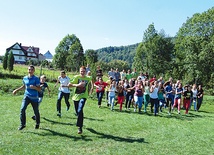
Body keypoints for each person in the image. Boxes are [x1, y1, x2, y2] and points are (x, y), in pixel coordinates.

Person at [13, 65, 41, 130]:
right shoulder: (25, 78)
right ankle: (23, 124)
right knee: (22, 109)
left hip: (34, 98)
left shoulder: (36, 79)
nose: (30, 71)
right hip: (27, 96)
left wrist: (34, 87)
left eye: (31, 70)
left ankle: (37, 123)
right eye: (29, 69)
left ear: (34, 71)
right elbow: (24, 86)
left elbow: (39, 89)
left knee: (36, 111)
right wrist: (16, 90)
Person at [68, 66, 93, 134]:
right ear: (79, 71)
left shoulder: (88, 78)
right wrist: (78, 85)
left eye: (84, 71)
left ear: (85, 72)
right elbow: (69, 85)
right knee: (78, 112)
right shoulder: (76, 77)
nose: (82, 72)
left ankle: (80, 127)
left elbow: (91, 78)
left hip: (83, 96)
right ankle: (80, 125)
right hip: (75, 97)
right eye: (81, 71)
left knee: (80, 109)